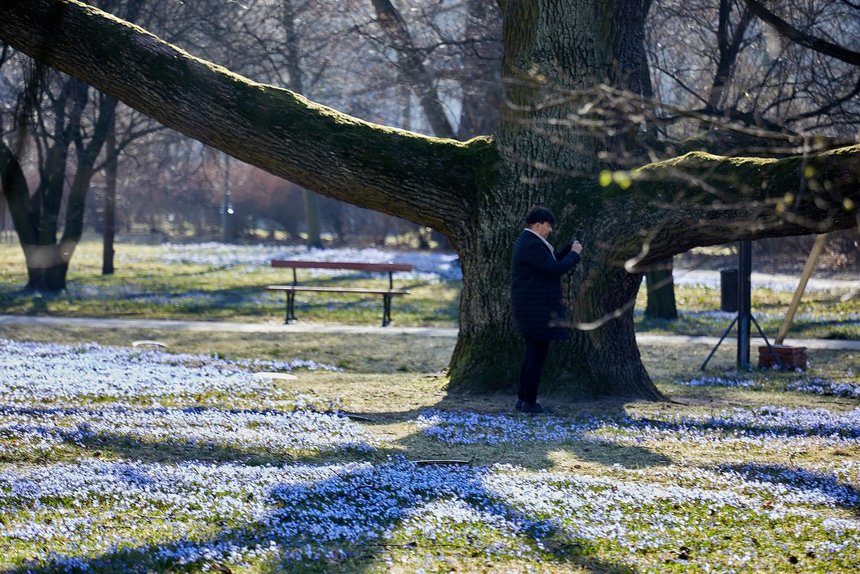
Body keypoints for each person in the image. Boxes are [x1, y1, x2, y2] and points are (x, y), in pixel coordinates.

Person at [510, 206, 583, 413]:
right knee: (537, 355)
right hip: (535, 308)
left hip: (532, 307)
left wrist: (568, 250)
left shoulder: (530, 242)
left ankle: (523, 399)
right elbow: (554, 270)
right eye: (548, 225)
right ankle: (529, 402)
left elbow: (548, 265)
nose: (550, 229)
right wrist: (575, 255)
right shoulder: (532, 243)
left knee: (532, 353)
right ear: (538, 224)